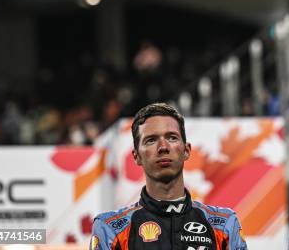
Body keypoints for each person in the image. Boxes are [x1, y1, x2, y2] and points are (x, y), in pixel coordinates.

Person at [90, 103, 247, 250]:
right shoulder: (110, 228)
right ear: (137, 156)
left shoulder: (224, 224)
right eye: (151, 140)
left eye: (172, 137)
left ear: (186, 150)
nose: (163, 147)